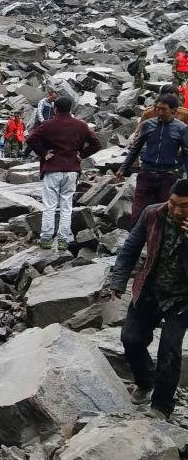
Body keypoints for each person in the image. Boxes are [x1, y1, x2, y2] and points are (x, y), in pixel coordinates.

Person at [108, 180, 188, 420]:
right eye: (173, 203)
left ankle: (161, 407)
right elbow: (130, 248)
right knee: (130, 339)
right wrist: (118, 281)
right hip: (149, 289)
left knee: (170, 352)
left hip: (181, 299)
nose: (176, 210)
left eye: (183, 207)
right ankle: (145, 381)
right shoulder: (152, 213)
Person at [26, 96, 102, 250]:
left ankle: (46, 238)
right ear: (71, 108)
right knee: (66, 206)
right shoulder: (80, 125)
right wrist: (82, 154)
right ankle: (63, 240)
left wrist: (43, 152)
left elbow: (31, 138)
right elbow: (96, 143)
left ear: (55, 109)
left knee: (49, 205)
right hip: (72, 169)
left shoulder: (48, 125)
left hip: (52, 168)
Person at [115, 93, 188, 226]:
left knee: (163, 213)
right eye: (157, 108)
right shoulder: (147, 125)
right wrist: (123, 168)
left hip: (167, 176)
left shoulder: (182, 129)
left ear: (173, 110)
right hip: (146, 174)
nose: (159, 112)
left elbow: (186, 153)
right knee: (138, 212)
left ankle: (156, 242)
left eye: (163, 109)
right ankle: (134, 240)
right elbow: (135, 148)